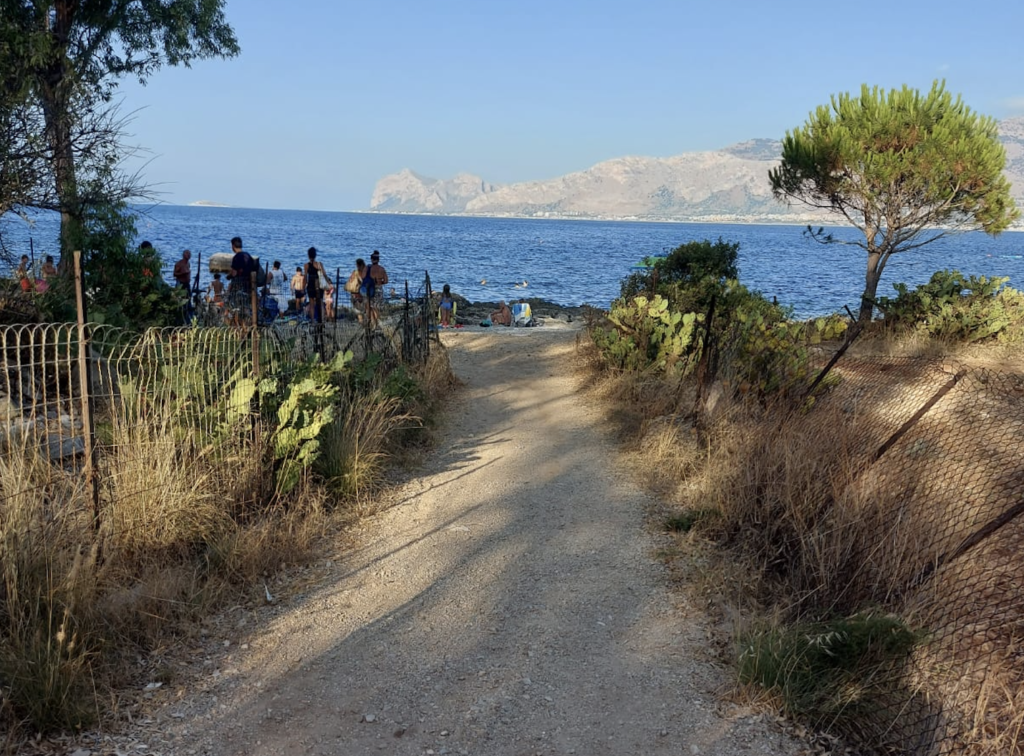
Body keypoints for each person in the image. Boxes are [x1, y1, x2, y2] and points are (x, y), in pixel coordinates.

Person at [227, 236, 253, 313]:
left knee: (235, 304)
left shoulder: (236, 257)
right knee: (246, 304)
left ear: (233, 246)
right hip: (248, 283)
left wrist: (229, 276)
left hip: (238, 284)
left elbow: (234, 273)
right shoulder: (248, 255)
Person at [304, 246, 327, 322]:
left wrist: (304, 286)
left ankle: (313, 321)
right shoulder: (319, 264)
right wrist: (329, 283)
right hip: (318, 285)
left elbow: (305, 277)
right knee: (320, 303)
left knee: (311, 304)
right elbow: (324, 274)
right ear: (315, 255)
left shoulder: (306, 265)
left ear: (308, 255)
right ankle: (322, 320)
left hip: (310, 285)